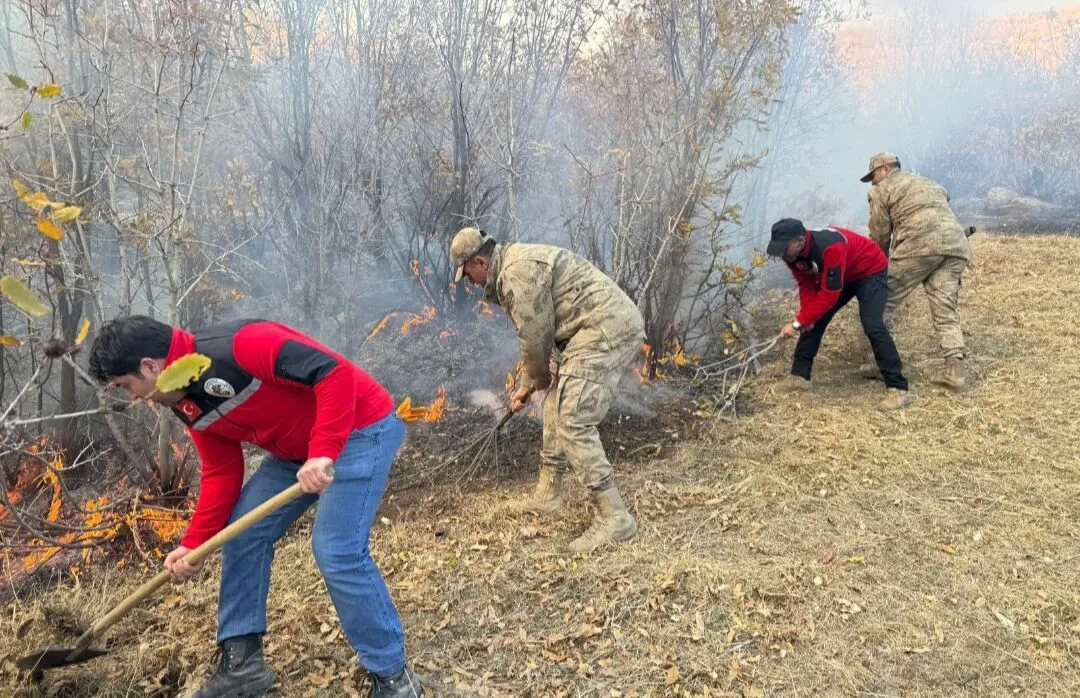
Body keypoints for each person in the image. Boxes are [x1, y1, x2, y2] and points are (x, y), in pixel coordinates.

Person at [88, 316, 422, 698]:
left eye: (126, 386)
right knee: (243, 533)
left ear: (149, 367)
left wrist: (323, 450)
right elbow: (221, 468)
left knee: (336, 550)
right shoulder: (184, 399)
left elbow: (334, 373)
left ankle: (394, 676)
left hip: (360, 430)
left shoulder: (241, 345)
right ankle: (242, 665)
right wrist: (195, 543)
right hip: (297, 454)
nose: (133, 397)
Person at [449, 227, 644, 553]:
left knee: (573, 420)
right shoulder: (514, 265)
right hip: (587, 331)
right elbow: (544, 331)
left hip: (605, 329)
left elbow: (535, 337)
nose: (469, 282)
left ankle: (615, 517)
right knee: (554, 403)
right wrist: (530, 385)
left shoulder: (515, 272)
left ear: (480, 262)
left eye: (467, 273)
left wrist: (533, 381)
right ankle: (548, 494)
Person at [766, 218, 915, 411]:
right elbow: (807, 284)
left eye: (784, 249)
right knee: (814, 318)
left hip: (870, 270)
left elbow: (830, 294)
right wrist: (806, 318)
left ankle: (898, 387)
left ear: (800, 240)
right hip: (844, 274)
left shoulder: (830, 247)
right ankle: (799, 377)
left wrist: (797, 323)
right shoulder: (792, 256)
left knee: (872, 324)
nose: (781, 254)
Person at [862, 152, 974, 391]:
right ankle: (955, 371)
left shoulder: (882, 190)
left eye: (873, 176)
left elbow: (880, 234)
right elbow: (943, 204)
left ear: (885, 170)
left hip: (919, 246)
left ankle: (879, 364)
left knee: (880, 301)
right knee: (945, 309)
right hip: (955, 246)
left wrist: (876, 269)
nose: (872, 182)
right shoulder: (928, 182)